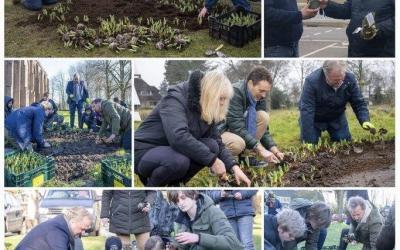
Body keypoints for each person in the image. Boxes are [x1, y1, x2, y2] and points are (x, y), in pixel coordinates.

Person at [134, 70, 251, 187]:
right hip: (145, 150)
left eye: (225, 99)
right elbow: (178, 137)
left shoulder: (205, 106)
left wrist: (234, 167)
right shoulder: (175, 99)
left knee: (212, 146)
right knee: (179, 161)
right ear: (209, 94)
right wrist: (213, 161)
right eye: (220, 98)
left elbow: (217, 142)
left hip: (170, 149)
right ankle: (152, 189)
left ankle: (176, 185)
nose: (222, 103)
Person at [220, 66, 284, 166]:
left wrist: (275, 150)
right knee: (238, 144)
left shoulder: (258, 98)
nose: (264, 95)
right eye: (261, 90)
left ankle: (247, 156)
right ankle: (220, 162)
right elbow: (237, 127)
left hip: (236, 130)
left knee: (263, 117)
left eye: (266, 92)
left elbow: (264, 131)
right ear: (250, 84)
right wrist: (260, 149)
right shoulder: (235, 92)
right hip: (221, 131)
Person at [300, 60, 373, 144]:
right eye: (335, 80)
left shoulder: (350, 79)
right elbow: (307, 110)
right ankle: (313, 135)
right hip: (315, 118)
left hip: (336, 116)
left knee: (344, 141)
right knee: (311, 143)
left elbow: (358, 102)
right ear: (325, 75)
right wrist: (308, 140)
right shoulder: (311, 82)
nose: (339, 83)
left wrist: (365, 119)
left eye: (341, 79)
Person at [167, 190, 245, 250]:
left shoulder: (213, 212)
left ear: (193, 195)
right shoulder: (181, 220)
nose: (180, 203)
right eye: (176, 201)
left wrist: (198, 238)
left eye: (183, 198)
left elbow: (232, 243)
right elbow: (183, 245)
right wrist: (175, 247)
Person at [320, 0, 395, 57]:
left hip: (382, 52)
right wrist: (327, 5)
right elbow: (347, 10)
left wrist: (377, 29)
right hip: (355, 49)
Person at [16, 207, 93, 250]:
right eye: (82, 229)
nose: (82, 233)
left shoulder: (61, 224)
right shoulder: (57, 232)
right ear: (73, 222)